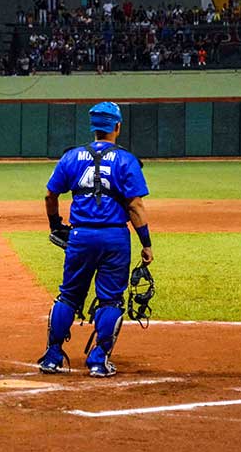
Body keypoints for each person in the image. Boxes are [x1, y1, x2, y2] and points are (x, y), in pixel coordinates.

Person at [38, 102, 153, 378]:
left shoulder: (72, 157)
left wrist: (56, 225)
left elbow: (50, 196)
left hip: (80, 236)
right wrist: (146, 243)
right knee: (110, 300)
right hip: (114, 238)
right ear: (117, 127)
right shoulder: (126, 160)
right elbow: (135, 206)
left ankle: (52, 357)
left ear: (93, 127)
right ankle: (98, 361)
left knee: (68, 295)